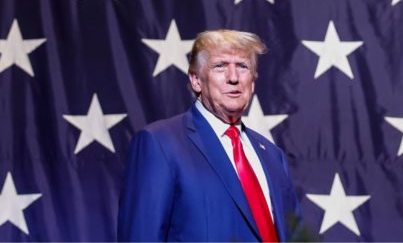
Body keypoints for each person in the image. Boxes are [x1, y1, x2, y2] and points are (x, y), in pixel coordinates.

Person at [118, 29, 302, 241]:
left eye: (243, 66)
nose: (233, 78)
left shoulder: (273, 156)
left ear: (252, 82)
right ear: (196, 80)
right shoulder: (160, 144)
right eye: (220, 66)